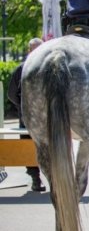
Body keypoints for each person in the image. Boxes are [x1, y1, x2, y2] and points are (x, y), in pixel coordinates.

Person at [7, 38, 46, 192]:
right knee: (28, 148)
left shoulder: (49, 69)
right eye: (34, 49)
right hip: (27, 119)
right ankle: (35, 179)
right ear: (29, 51)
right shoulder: (21, 69)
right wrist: (23, 107)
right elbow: (11, 94)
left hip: (47, 119)